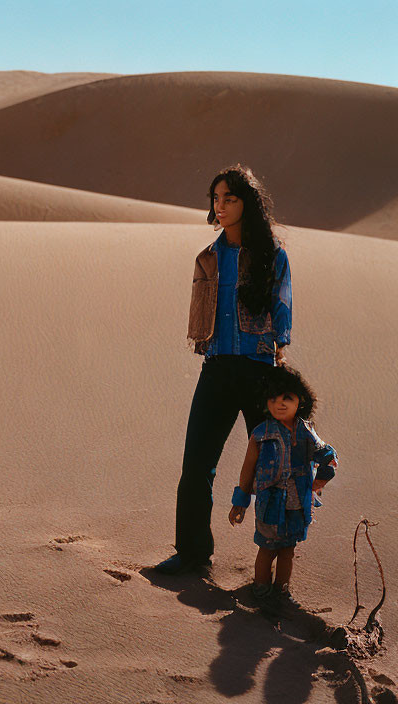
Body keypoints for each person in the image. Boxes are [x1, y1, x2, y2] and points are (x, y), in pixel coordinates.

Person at [155, 165, 293, 575]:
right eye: (216, 198)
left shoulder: (273, 256)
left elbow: (282, 312)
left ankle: (274, 563)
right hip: (216, 369)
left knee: (273, 466)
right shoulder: (209, 257)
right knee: (197, 464)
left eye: (229, 198)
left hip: (258, 372)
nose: (221, 206)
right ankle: (193, 553)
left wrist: (278, 357)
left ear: (246, 203)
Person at [229, 365, 337, 611]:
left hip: (299, 503)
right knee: (266, 549)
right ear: (265, 403)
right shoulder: (260, 434)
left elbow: (328, 455)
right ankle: (261, 589)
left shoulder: (306, 431)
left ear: (300, 401)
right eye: (273, 398)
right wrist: (241, 501)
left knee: (288, 550)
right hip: (270, 503)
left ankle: (282, 590)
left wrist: (323, 476)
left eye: (287, 398)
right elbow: (247, 470)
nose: (280, 403)